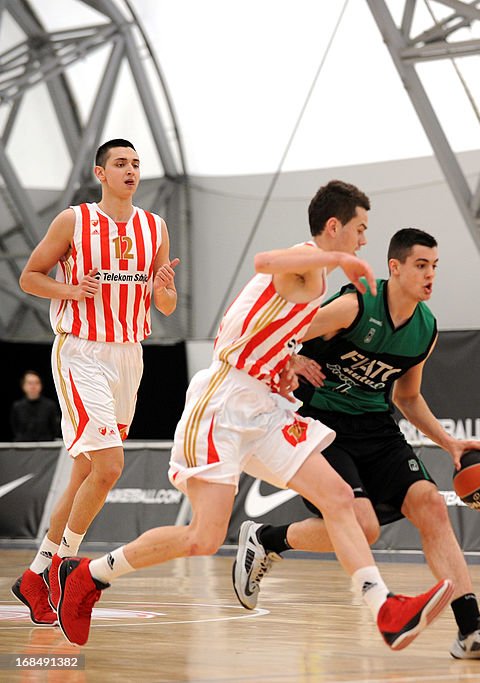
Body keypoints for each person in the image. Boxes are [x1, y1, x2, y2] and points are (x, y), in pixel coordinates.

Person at [53, 181, 453, 648]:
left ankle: (382, 606)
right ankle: (90, 576)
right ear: (334, 226)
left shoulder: (316, 277)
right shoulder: (306, 263)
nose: (364, 239)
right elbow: (264, 262)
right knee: (204, 537)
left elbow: (267, 328)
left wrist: (288, 361)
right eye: (360, 229)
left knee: (341, 499)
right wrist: (340, 259)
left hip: (264, 407)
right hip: (223, 402)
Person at [234, 228, 480, 661]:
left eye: (435, 267)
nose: (430, 276)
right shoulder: (356, 304)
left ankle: (472, 630)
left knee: (430, 503)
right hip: (323, 423)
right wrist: (292, 356)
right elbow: (285, 329)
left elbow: (407, 397)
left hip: (376, 427)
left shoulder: (425, 330)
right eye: (421, 266)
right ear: (396, 268)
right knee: (364, 526)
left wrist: (450, 444)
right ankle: (268, 539)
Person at [11, 139, 179, 627]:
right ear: (100, 173)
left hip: (129, 355)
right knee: (108, 465)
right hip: (81, 349)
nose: (130, 170)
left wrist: (162, 287)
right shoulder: (74, 220)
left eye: (135, 164)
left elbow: (164, 305)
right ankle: (66, 568)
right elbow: (29, 277)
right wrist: (70, 289)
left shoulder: (156, 228)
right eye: (120, 164)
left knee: (88, 472)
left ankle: (35, 574)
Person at [9, 370, 61, 441]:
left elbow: (55, 429)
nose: (33, 386)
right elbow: (15, 428)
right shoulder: (17, 407)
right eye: (30, 383)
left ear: (41, 385)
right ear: (23, 386)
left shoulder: (50, 406)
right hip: (23, 448)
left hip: (46, 448)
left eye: (36, 383)